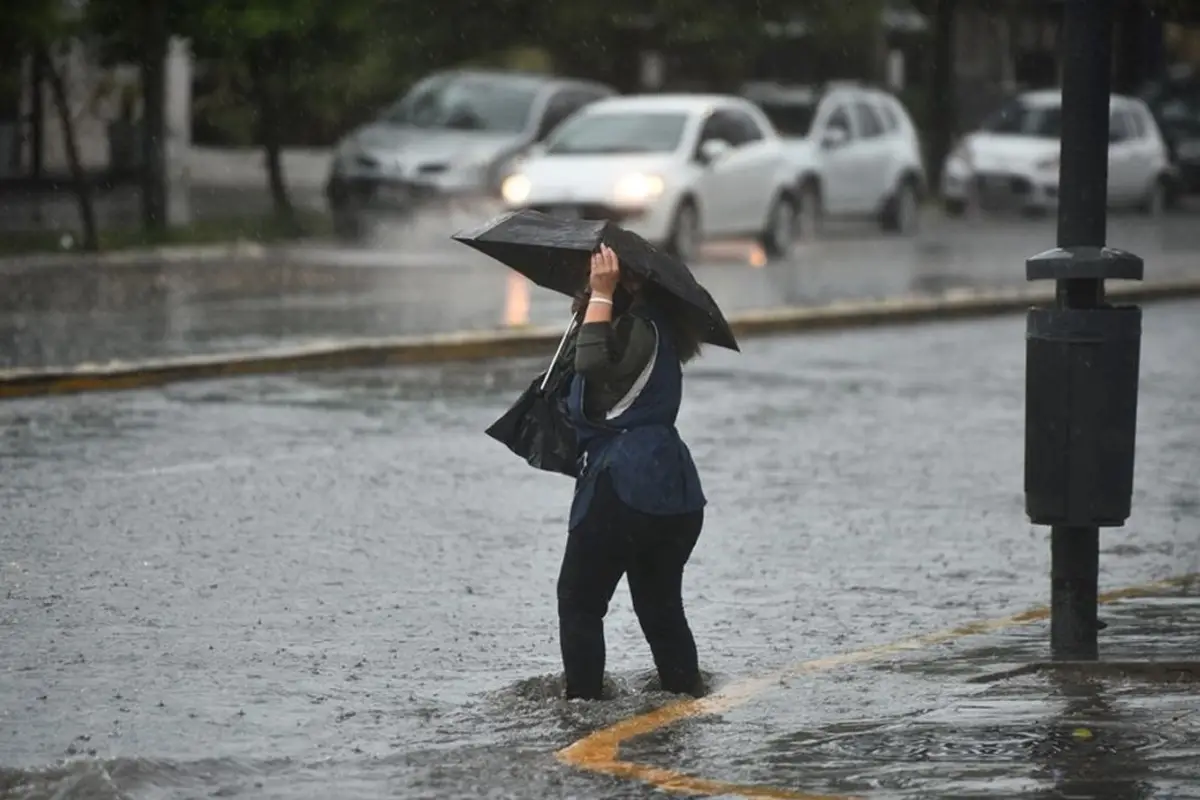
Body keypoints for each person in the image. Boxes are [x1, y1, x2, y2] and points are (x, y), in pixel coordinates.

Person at [556, 243, 708, 701]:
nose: (591, 279)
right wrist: (595, 302)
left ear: (635, 282)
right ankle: (685, 700)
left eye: (603, 271)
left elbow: (591, 363)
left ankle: (582, 709)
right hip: (675, 490)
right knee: (660, 608)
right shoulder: (655, 333)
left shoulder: (638, 330)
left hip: (624, 485)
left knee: (580, 603)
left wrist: (601, 294)